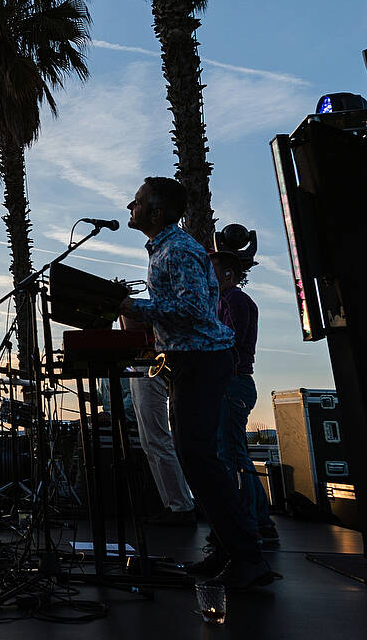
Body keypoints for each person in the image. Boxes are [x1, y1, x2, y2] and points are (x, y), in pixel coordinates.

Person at [117, 177, 273, 590]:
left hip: (203, 362)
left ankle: (247, 558)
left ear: (155, 212)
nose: (128, 208)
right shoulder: (165, 249)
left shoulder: (180, 249)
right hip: (191, 362)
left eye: (135, 203)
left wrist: (134, 306)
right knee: (197, 458)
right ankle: (228, 550)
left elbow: (191, 307)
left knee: (200, 458)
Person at [210, 248, 279, 548]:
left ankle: (247, 527)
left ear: (228, 273)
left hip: (232, 383)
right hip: (233, 383)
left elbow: (229, 338)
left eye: (210, 269)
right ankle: (261, 523)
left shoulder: (234, 300)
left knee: (232, 455)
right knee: (236, 453)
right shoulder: (227, 300)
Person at [122, 314, 195, 525]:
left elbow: (133, 327)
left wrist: (124, 305)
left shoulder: (152, 309)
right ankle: (172, 505)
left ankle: (182, 506)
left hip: (150, 366)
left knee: (158, 440)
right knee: (149, 443)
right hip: (140, 367)